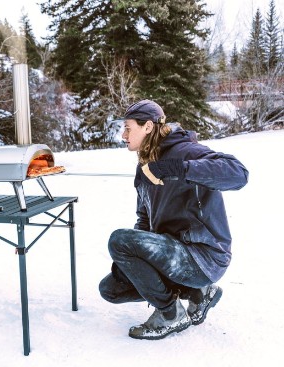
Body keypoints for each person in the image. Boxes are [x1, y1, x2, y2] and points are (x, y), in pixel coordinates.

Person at [99, 99, 249, 340]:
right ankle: (198, 292)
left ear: (147, 127)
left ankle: (170, 314)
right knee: (111, 289)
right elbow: (144, 219)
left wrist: (176, 169)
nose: (123, 135)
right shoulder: (145, 168)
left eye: (128, 128)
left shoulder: (186, 151)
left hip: (204, 255)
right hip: (171, 252)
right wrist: (131, 262)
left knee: (118, 240)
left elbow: (238, 174)